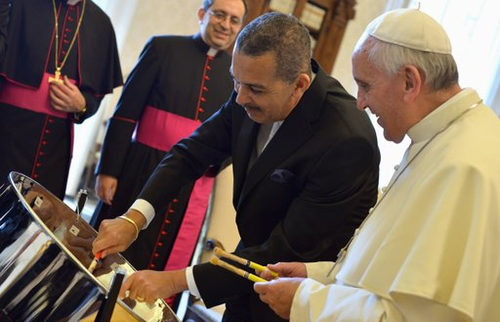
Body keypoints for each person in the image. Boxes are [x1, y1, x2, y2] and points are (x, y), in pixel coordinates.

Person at [93, 12, 380, 321]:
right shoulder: (248, 90)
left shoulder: (346, 140)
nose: (240, 98)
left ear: (299, 85)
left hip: (298, 296)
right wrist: (134, 219)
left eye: (255, 89)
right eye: (235, 81)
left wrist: (174, 280)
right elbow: (190, 154)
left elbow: (286, 251)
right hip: (247, 270)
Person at [253, 8, 500, 321]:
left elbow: (415, 316)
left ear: (410, 82)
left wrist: (306, 302)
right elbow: (388, 279)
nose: (360, 103)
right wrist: (319, 277)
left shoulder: (464, 167)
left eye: (365, 85)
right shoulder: (440, 139)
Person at [90, 0, 247, 275]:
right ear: (202, 14)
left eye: (234, 20)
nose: (226, 24)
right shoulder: (162, 48)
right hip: (140, 169)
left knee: (160, 264)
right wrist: (109, 170)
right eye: (219, 14)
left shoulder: (239, 74)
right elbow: (126, 113)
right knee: (113, 254)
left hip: (192, 182)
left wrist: (214, 165)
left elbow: (238, 135)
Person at [0, 0, 122, 199]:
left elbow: (94, 97)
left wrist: (82, 104)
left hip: (55, 151)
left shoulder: (101, 23)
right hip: (7, 136)